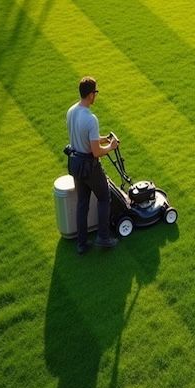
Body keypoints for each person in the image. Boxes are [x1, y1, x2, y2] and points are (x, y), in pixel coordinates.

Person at [66, 76, 118, 255]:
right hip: (90, 166)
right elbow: (96, 152)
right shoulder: (90, 118)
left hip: (75, 163)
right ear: (90, 95)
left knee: (82, 202)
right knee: (104, 197)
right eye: (95, 92)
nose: (96, 95)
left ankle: (81, 243)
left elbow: (86, 138)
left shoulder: (71, 111)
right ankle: (103, 237)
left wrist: (102, 138)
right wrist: (110, 146)